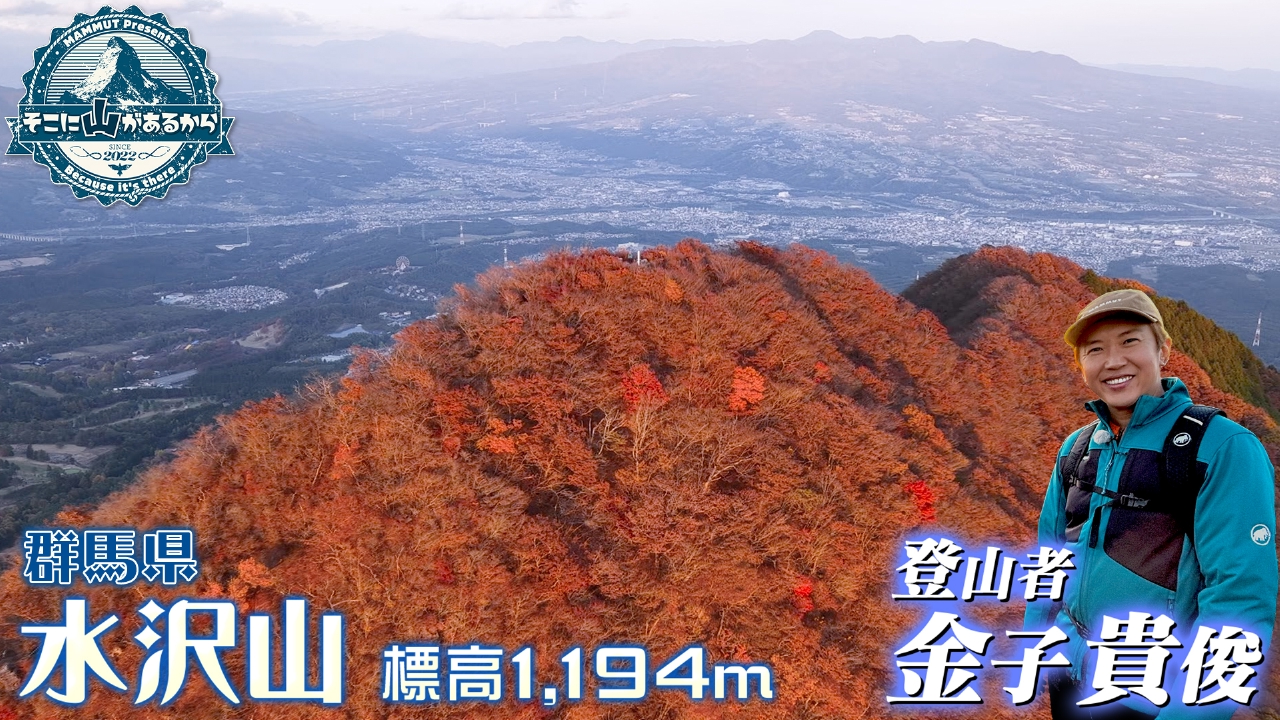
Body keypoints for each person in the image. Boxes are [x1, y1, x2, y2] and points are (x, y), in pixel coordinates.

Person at [1026, 288, 1278, 719]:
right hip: (1072, 677)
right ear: (1083, 366)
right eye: (1095, 350)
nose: (1113, 361)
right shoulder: (1079, 447)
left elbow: (1240, 594)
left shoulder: (1220, 446)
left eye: (1130, 341)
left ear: (1162, 351)